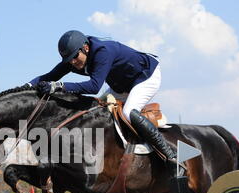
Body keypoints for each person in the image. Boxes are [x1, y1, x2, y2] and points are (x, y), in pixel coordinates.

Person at [27, 30, 177, 166]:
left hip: (146, 76)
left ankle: (170, 155)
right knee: (97, 110)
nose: (72, 62)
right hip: (121, 86)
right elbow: (48, 77)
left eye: (74, 57)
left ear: (85, 48)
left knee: (128, 112)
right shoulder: (75, 56)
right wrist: (26, 87)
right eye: (69, 60)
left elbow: (94, 87)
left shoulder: (102, 52)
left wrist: (59, 86)